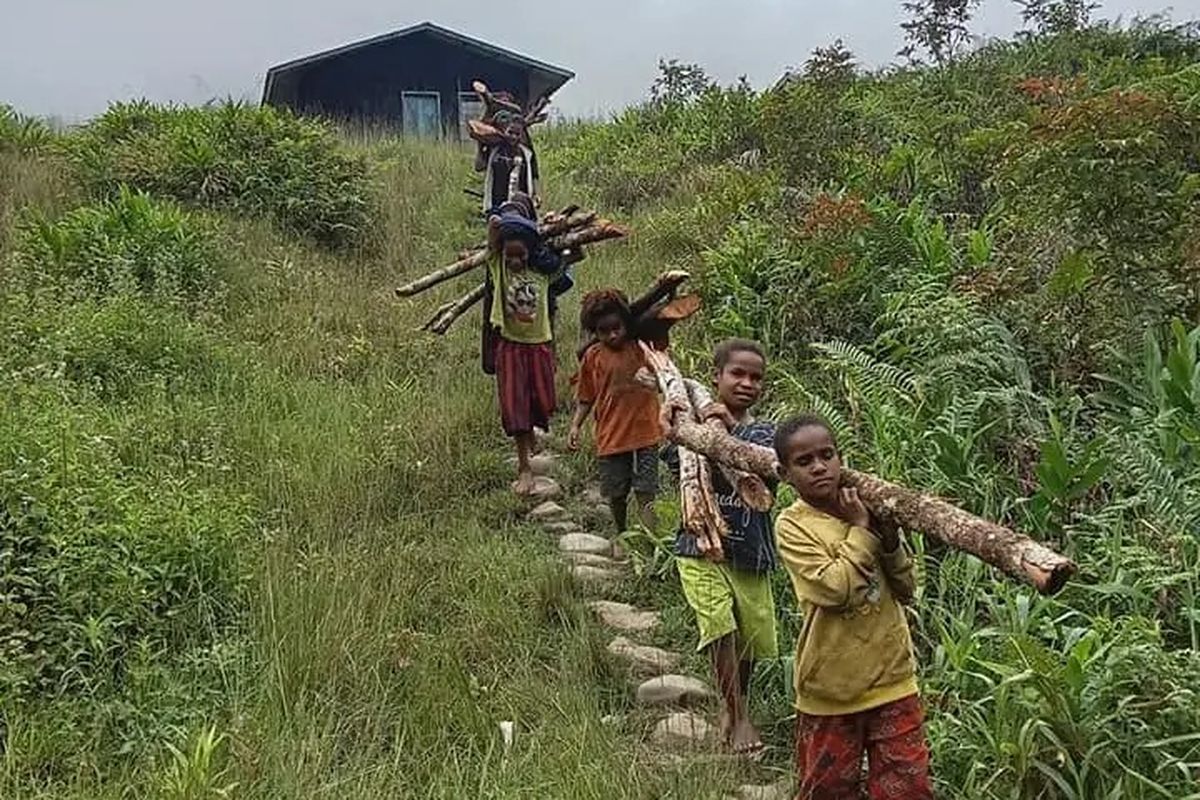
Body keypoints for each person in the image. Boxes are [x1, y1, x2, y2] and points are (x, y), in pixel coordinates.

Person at [772, 415, 933, 800]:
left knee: (907, 789)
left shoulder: (869, 507)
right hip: (830, 688)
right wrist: (861, 531)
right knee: (827, 790)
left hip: (892, 678)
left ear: (840, 458)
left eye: (827, 455)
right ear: (785, 473)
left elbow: (908, 589)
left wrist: (890, 540)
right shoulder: (793, 526)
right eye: (804, 461)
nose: (819, 467)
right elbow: (835, 590)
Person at [668, 338, 778, 756]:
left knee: (748, 637)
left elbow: (771, 474)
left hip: (751, 549)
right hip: (699, 545)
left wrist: (728, 435)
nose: (747, 383)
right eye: (738, 373)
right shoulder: (693, 423)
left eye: (756, 377)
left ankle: (735, 704)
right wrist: (686, 429)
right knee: (720, 626)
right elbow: (675, 463)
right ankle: (739, 714)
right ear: (716, 377)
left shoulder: (766, 431)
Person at [568, 290, 662, 532]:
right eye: (603, 331)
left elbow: (664, 370)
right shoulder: (593, 356)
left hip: (647, 432)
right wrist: (576, 425)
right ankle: (621, 533)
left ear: (626, 324)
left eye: (617, 328)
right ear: (594, 332)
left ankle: (651, 543)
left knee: (646, 492)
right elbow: (586, 396)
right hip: (611, 435)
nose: (612, 335)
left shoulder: (641, 347)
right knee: (616, 493)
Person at [486, 207, 560, 494]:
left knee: (542, 402)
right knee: (515, 406)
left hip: (539, 344)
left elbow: (574, 258)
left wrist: (558, 233)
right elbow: (493, 241)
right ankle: (524, 467)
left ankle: (531, 435)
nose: (515, 261)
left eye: (521, 255)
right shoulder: (499, 269)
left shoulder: (542, 273)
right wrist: (497, 222)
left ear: (531, 252)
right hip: (511, 346)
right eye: (510, 256)